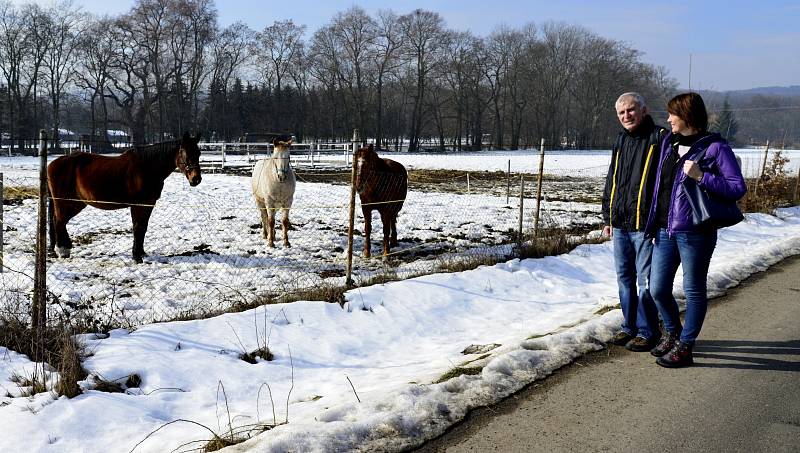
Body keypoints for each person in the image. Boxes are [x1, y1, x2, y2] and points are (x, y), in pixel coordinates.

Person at [645, 92, 747, 368]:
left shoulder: (716, 148)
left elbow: (737, 188)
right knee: (657, 289)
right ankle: (674, 333)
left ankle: (686, 346)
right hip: (666, 229)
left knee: (693, 290)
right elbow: (660, 186)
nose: (668, 119)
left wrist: (702, 176)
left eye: (672, 114)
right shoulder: (669, 141)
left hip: (696, 231)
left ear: (687, 116)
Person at [601, 92, 666, 351]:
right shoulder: (620, 141)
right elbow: (612, 181)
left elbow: (666, 185)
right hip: (620, 224)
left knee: (645, 281)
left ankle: (648, 330)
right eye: (621, 113)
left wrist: (659, 220)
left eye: (631, 110)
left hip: (645, 226)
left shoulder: (659, 139)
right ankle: (628, 326)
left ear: (644, 110)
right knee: (624, 278)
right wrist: (608, 216)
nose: (626, 116)